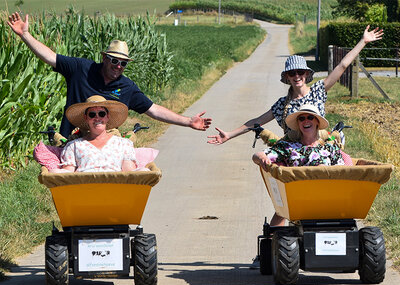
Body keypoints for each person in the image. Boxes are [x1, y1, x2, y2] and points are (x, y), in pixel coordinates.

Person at [7, 12, 212, 138]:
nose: (118, 66)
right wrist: (25, 35)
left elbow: (153, 110)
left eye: (123, 63)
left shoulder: (127, 88)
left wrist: (187, 121)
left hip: (104, 145)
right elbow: (50, 57)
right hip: (71, 140)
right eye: (114, 60)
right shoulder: (81, 68)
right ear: (104, 57)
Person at [207, 25, 383, 145]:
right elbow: (255, 122)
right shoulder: (282, 105)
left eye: (300, 72)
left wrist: (363, 41)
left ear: (307, 74)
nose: (297, 76)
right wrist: (229, 135)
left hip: (320, 148)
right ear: (287, 77)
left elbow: (342, 66)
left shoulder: (318, 90)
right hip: (293, 156)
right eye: (292, 73)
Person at [251, 104, 345, 268]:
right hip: (300, 198)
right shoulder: (289, 148)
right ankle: (270, 249)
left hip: (329, 197)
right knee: (283, 210)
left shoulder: (330, 148)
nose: (306, 121)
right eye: (302, 118)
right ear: (298, 124)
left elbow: (344, 171)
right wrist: (262, 159)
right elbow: (258, 155)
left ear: (317, 122)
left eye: (310, 117)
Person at [60, 95, 137, 172]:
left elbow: (130, 173)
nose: (97, 118)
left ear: (107, 116)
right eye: (92, 114)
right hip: (84, 183)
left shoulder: (123, 144)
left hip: (114, 183)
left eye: (101, 114)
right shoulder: (73, 146)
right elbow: (67, 174)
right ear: (86, 118)